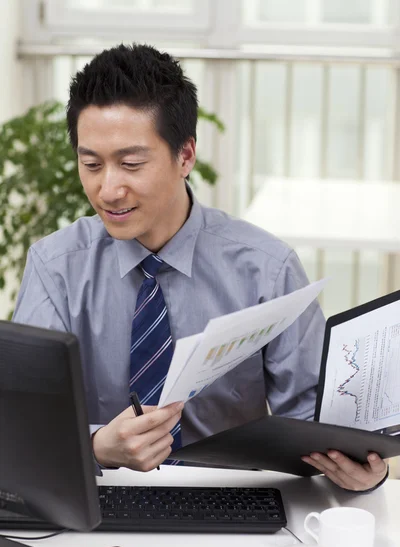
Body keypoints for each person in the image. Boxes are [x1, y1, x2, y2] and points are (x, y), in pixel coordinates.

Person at [13, 43, 387, 492]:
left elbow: (311, 417)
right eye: (90, 164)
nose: (107, 189)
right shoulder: (55, 268)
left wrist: (360, 461)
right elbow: (24, 429)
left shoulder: (265, 268)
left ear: (185, 156)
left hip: (235, 496)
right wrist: (95, 446)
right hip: (101, 498)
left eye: (131, 164)